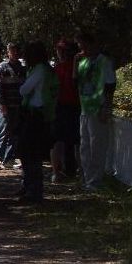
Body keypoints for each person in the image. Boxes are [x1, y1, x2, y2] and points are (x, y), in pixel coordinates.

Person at [74, 31, 116, 191]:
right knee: (85, 145)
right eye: (79, 46)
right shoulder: (83, 62)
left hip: (98, 108)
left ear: (92, 44)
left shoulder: (104, 62)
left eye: (83, 45)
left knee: (97, 145)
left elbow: (110, 85)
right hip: (85, 108)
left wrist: (106, 107)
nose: (81, 48)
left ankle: (95, 180)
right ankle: (86, 178)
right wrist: (75, 63)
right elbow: (76, 82)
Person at [18, 42, 59, 203]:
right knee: (31, 154)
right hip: (43, 114)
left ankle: (33, 191)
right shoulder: (47, 70)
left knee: (30, 154)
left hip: (35, 115)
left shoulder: (39, 70)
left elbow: (24, 90)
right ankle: (30, 187)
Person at [50, 38, 81, 182]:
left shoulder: (58, 69)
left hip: (63, 106)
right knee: (74, 141)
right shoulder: (74, 67)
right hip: (73, 106)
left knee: (59, 140)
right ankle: (73, 171)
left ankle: (58, 172)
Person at [0, 42, 25, 170]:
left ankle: (9, 159)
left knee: (14, 133)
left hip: (18, 105)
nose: (15, 53)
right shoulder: (1, 68)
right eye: (12, 51)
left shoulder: (22, 68)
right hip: (5, 106)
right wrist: (2, 103)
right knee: (3, 132)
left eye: (17, 51)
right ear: (8, 53)